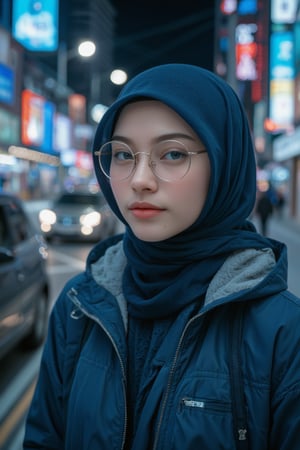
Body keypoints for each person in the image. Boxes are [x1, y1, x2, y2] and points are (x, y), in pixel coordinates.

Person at [23, 64, 300, 450]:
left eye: (171, 153)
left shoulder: (283, 333)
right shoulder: (78, 308)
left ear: (224, 163)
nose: (139, 179)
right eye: (122, 154)